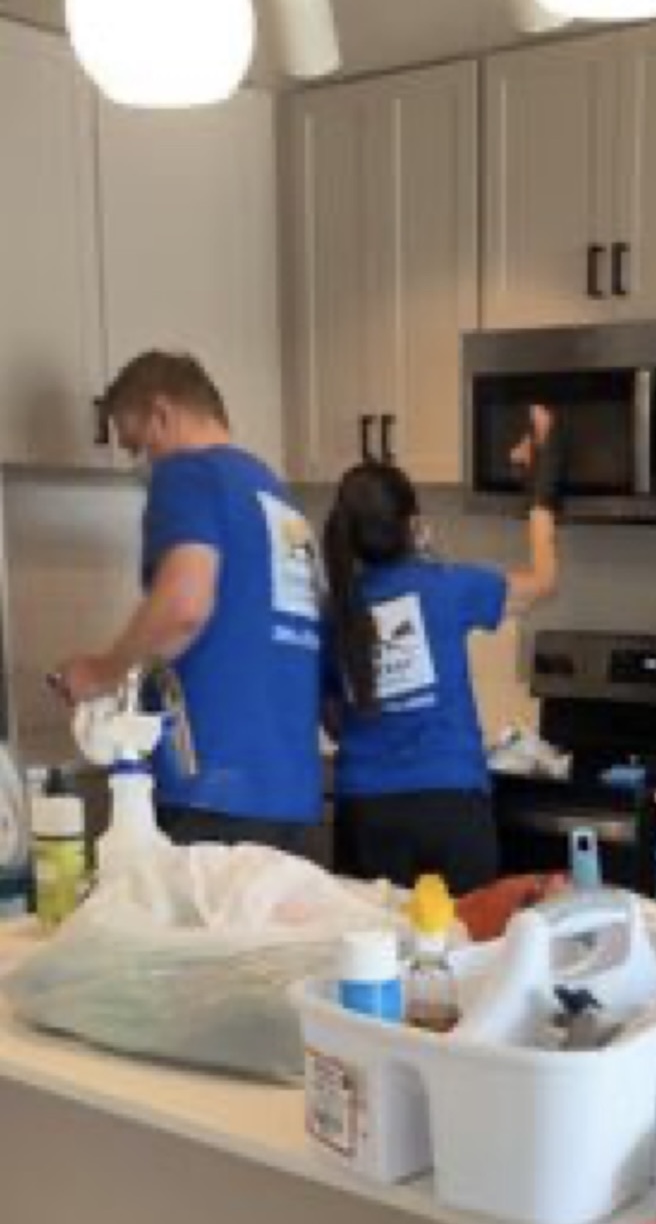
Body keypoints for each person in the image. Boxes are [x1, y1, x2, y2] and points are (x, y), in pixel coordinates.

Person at [56, 351, 324, 855]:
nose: (144, 463)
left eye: (140, 445)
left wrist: (102, 671)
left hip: (213, 789)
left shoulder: (187, 475)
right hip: (287, 792)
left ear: (163, 413)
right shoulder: (274, 495)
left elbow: (185, 605)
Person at [322, 410, 559, 895]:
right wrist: (540, 490)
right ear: (412, 525)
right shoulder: (446, 587)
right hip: (449, 806)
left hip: (366, 813)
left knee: (378, 959)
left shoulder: (334, 610)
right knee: (462, 955)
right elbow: (542, 581)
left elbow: (333, 718)